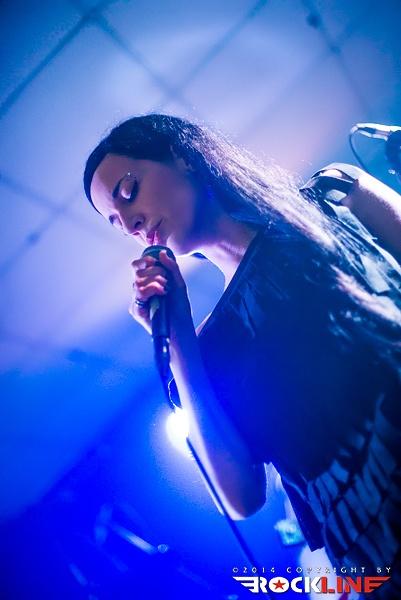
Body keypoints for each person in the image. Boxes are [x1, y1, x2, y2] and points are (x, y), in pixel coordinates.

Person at [84, 114, 401, 598]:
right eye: (116, 223)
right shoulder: (209, 349)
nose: (130, 224)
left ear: (182, 157)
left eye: (128, 192)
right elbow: (241, 498)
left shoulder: (336, 195)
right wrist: (179, 339)